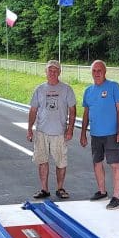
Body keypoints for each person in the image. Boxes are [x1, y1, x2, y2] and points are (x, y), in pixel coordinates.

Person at [27, 60, 76, 199]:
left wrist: (70, 129)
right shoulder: (39, 89)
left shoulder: (67, 89)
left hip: (59, 132)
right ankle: (44, 189)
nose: (53, 73)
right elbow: (33, 110)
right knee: (42, 160)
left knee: (61, 161)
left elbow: (72, 110)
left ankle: (60, 188)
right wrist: (29, 128)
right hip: (42, 131)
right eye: (50, 70)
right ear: (46, 72)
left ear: (59, 72)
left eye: (55, 70)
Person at [80, 60, 119, 210]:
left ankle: (117, 197)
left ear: (105, 72)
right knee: (97, 163)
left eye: (100, 70)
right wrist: (83, 133)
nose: (97, 73)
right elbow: (86, 114)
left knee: (115, 165)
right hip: (95, 134)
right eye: (94, 70)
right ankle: (102, 191)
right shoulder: (88, 91)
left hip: (112, 134)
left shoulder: (113, 87)